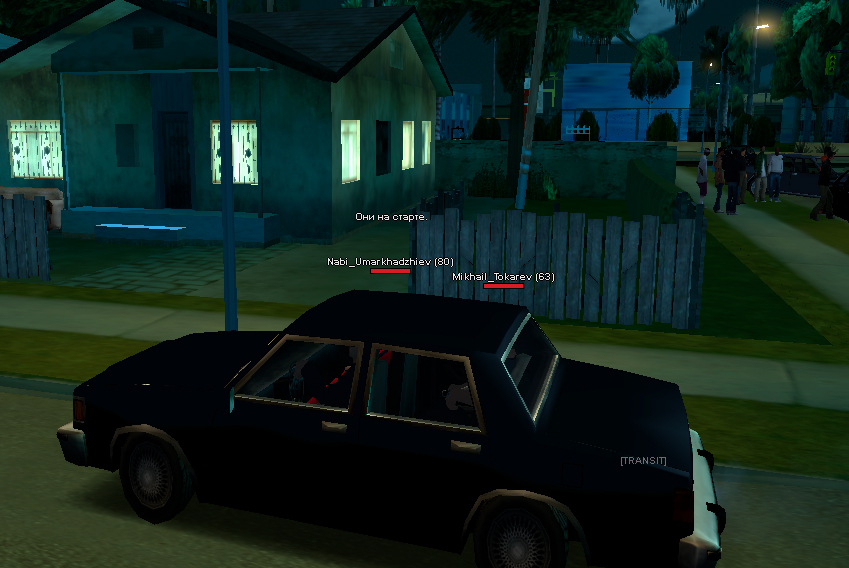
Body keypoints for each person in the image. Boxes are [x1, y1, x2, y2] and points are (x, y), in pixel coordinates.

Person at [811, 150, 836, 220]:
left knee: (830, 197)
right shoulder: (826, 164)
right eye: (833, 155)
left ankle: (829, 214)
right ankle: (813, 214)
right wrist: (834, 177)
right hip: (823, 184)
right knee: (823, 201)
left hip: (825, 184)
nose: (834, 157)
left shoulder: (827, 163)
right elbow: (827, 175)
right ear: (830, 156)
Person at [723, 146, 739, 215]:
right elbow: (737, 172)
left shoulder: (728, 161)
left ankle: (728, 210)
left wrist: (726, 179)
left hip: (729, 181)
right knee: (734, 197)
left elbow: (725, 171)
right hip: (734, 181)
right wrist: (738, 181)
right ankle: (733, 210)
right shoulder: (736, 161)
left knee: (729, 196)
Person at [712, 146, 725, 213]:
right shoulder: (719, 159)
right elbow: (717, 170)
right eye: (723, 151)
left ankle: (716, 207)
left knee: (719, 194)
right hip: (719, 180)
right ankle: (717, 208)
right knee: (719, 194)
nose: (724, 152)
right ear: (721, 151)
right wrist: (717, 180)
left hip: (719, 179)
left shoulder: (719, 159)